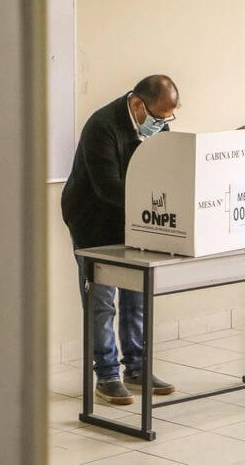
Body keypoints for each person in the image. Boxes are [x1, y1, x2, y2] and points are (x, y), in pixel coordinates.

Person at [62, 75, 178, 405]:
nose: (162, 124)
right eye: (158, 117)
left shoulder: (158, 129)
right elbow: (108, 188)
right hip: (92, 221)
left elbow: (164, 172)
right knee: (101, 300)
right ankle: (108, 375)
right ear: (138, 104)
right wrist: (151, 203)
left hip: (133, 221)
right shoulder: (102, 126)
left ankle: (138, 369)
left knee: (137, 293)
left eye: (168, 118)